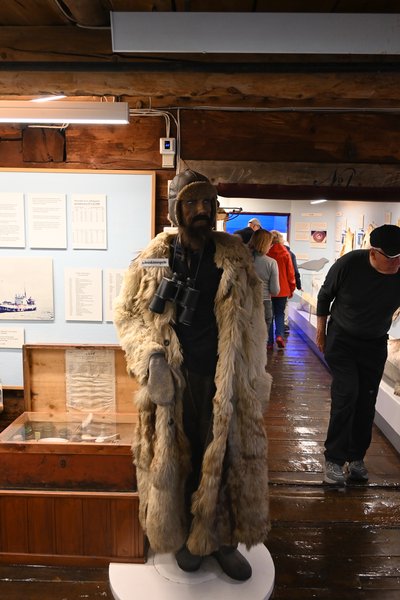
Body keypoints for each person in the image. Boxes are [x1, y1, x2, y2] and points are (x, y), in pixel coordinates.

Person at [114, 169, 271, 581]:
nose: (201, 209)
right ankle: (185, 536)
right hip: (174, 380)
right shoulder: (153, 259)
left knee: (225, 457)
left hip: (225, 377)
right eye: (191, 202)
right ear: (176, 209)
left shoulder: (236, 258)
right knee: (180, 458)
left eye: (207, 202)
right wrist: (151, 357)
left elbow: (256, 320)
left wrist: (256, 376)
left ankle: (222, 541)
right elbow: (128, 315)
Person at [316, 224, 400, 485]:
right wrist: (321, 333)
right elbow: (324, 296)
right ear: (374, 253)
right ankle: (334, 459)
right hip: (342, 340)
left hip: (375, 344)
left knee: (366, 401)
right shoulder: (350, 264)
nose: (397, 263)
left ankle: (356, 458)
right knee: (347, 394)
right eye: (391, 258)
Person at [267, 230, 296, 350]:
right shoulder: (285, 253)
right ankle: (279, 335)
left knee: (269, 316)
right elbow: (291, 273)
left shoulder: (266, 253)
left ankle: (269, 342)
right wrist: (292, 288)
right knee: (280, 314)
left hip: (268, 290)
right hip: (283, 290)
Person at [248, 229, 280, 334]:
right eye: (270, 244)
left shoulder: (244, 261)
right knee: (261, 339)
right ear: (266, 244)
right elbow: (275, 290)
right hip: (264, 303)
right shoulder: (271, 263)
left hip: (245, 303)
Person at [284, 242, 302, 332]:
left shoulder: (271, 252)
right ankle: (284, 323)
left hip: (274, 283)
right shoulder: (291, 254)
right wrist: (298, 285)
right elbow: (295, 271)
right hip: (286, 284)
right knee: (285, 304)